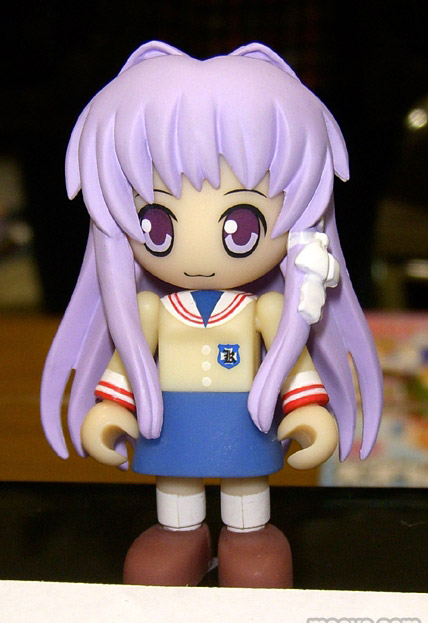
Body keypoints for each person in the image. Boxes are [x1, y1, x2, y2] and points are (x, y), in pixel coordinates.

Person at [41, 41, 383, 587]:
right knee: (176, 501)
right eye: (156, 224)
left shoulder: (267, 310)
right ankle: (181, 537)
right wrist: (111, 409)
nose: (197, 250)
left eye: (241, 225)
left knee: (247, 505)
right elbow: (123, 370)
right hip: (171, 429)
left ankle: (247, 537)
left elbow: (296, 370)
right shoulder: (150, 310)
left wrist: (309, 413)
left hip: (244, 427)